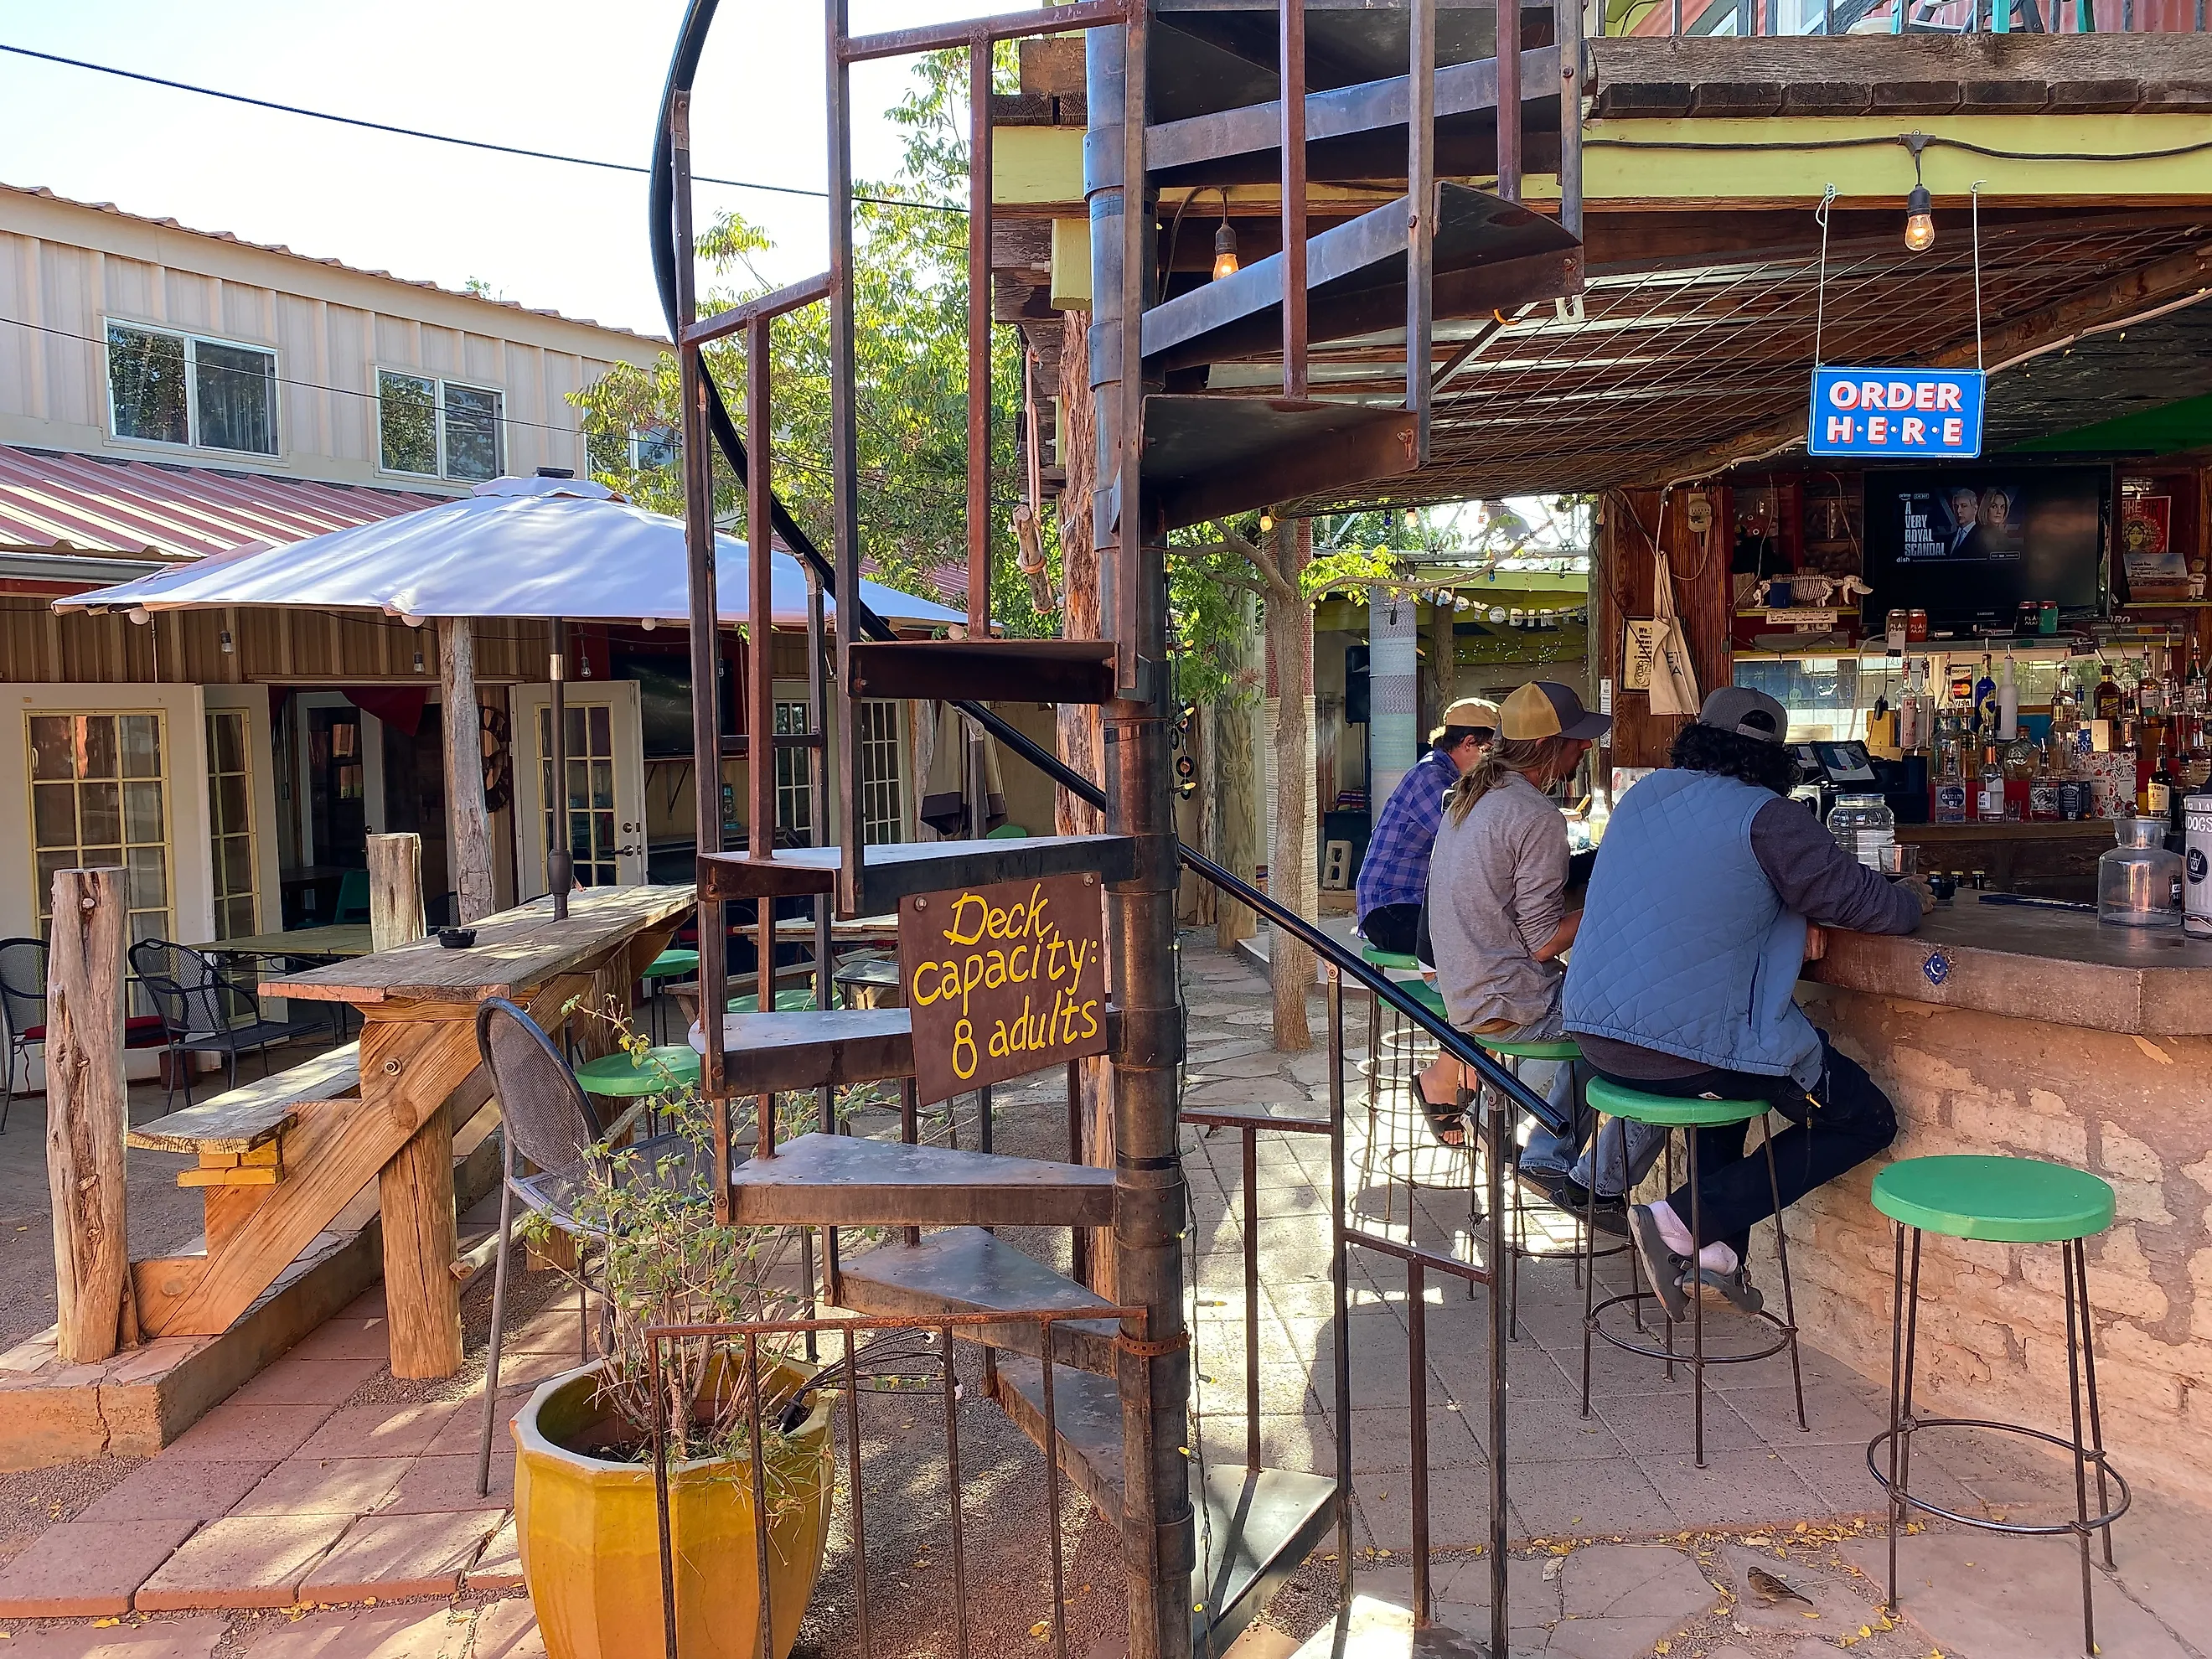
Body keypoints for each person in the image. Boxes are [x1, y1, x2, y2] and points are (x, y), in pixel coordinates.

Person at [1563, 686, 1932, 1317]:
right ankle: (1678, 1220)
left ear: (1695, 735)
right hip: (1682, 1051)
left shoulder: (1643, 797)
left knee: (1732, 1084)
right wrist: (1918, 893)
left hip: (1595, 1040)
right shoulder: (1771, 818)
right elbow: (1873, 907)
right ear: (1778, 760)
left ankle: (1716, 1253)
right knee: (1863, 1119)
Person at [1419, 681, 1609, 1149]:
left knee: (1605, 1006)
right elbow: (1542, 943)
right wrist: (1605, 906)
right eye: (1577, 738)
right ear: (1546, 745)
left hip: (1462, 992)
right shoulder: (1537, 815)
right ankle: (1557, 1158)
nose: (1586, 746)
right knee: (1633, 1021)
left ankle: (1506, 1126)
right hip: (1505, 1004)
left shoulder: (1471, 795)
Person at [1356, 697, 1499, 959]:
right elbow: (1466, 836)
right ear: (1469, 743)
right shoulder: (1431, 777)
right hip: (1390, 909)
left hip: (1410, 905)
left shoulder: (1447, 775)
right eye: (1489, 751)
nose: (1493, 763)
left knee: (1490, 937)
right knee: (1482, 947)